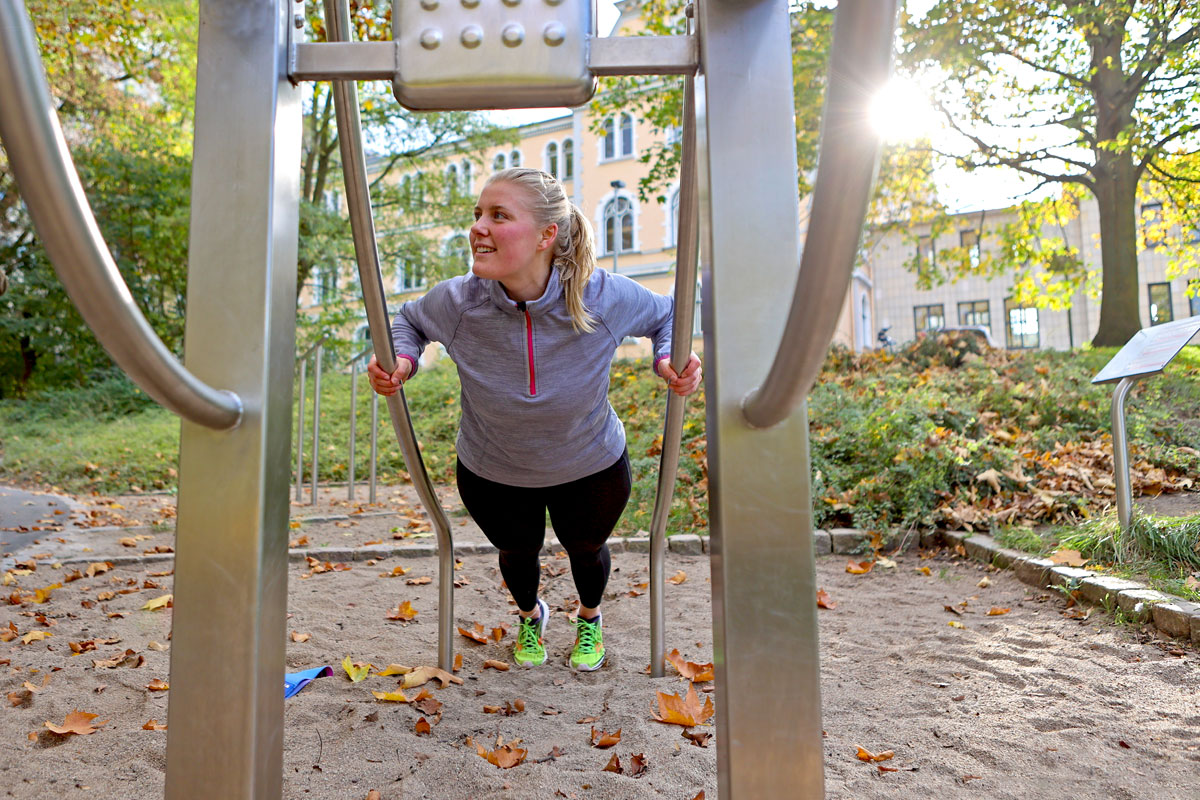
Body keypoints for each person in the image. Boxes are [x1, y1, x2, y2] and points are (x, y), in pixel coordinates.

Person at [368, 167, 702, 671]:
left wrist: (669, 358)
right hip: (493, 467)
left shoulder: (600, 295)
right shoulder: (459, 302)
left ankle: (589, 617)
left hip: (589, 461)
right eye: (478, 214)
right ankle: (532, 614)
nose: (479, 226)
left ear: (548, 234)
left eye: (498, 215)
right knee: (516, 553)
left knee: (586, 549)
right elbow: (408, 321)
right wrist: (402, 359)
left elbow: (667, 315)